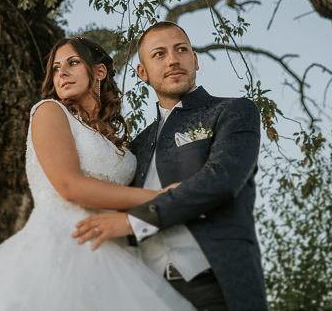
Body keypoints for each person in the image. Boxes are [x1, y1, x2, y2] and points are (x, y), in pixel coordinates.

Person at [0, 35, 194, 311]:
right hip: (59, 246)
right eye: (56, 68)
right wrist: (160, 198)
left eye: (73, 63)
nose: (61, 72)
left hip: (115, 249)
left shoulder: (116, 140)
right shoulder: (50, 111)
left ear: (99, 71)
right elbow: (69, 186)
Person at [72, 22, 268, 311]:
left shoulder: (233, 111)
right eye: (159, 54)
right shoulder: (136, 145)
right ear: (142, 72)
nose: (173, 60)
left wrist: (133, 222)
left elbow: (221, 180)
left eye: (181, 50)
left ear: (195, 60)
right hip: (144, 292)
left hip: (216, 283)